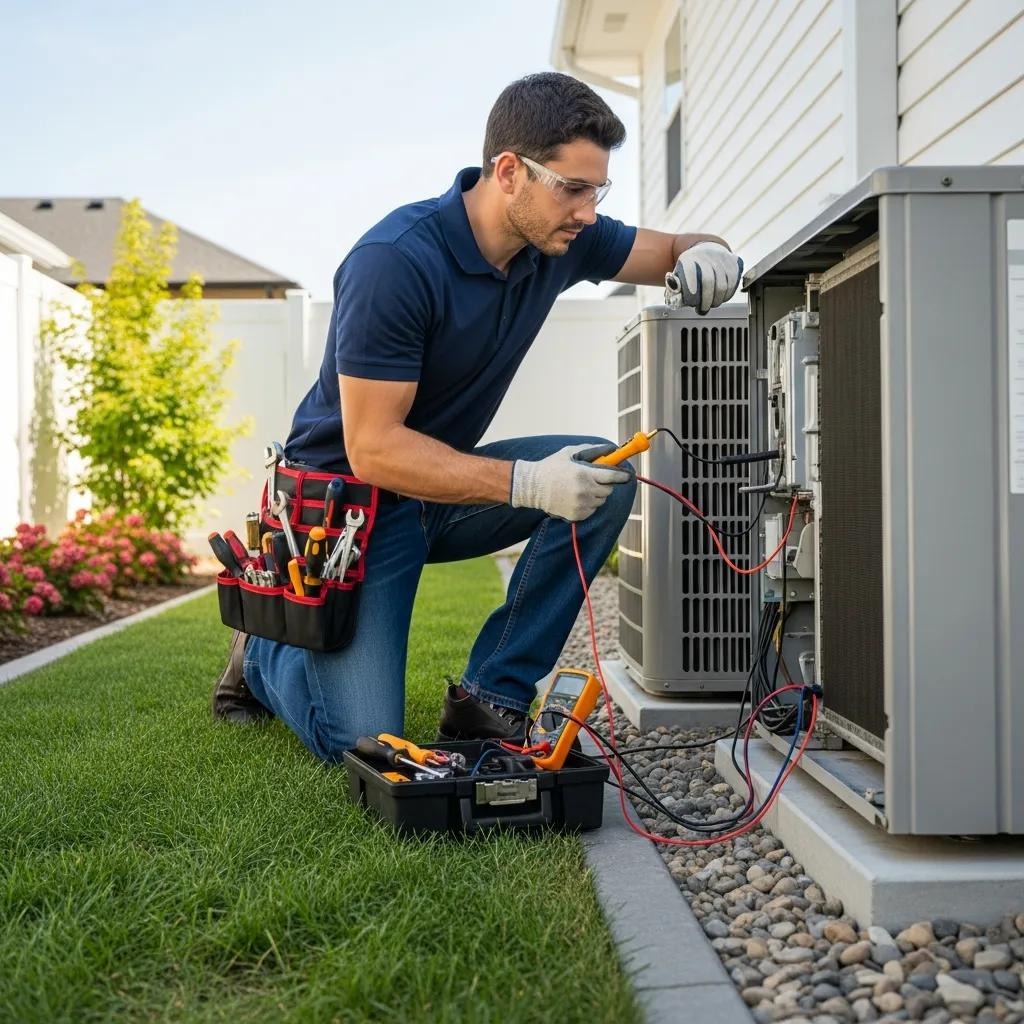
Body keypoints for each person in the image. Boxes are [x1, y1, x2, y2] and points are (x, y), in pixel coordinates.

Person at [212, 72, 742, 761]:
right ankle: (262, 651)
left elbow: (674, 247)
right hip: (349, 508)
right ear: (510, 171)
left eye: (597, 191)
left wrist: (710, 252)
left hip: (434, 489)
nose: (588, 211)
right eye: (574, 188)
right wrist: (526, 484)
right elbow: (372, 449)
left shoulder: (561, 237)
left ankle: (492, 700)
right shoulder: (395, 264)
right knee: (363, 743)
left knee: (601, 471)